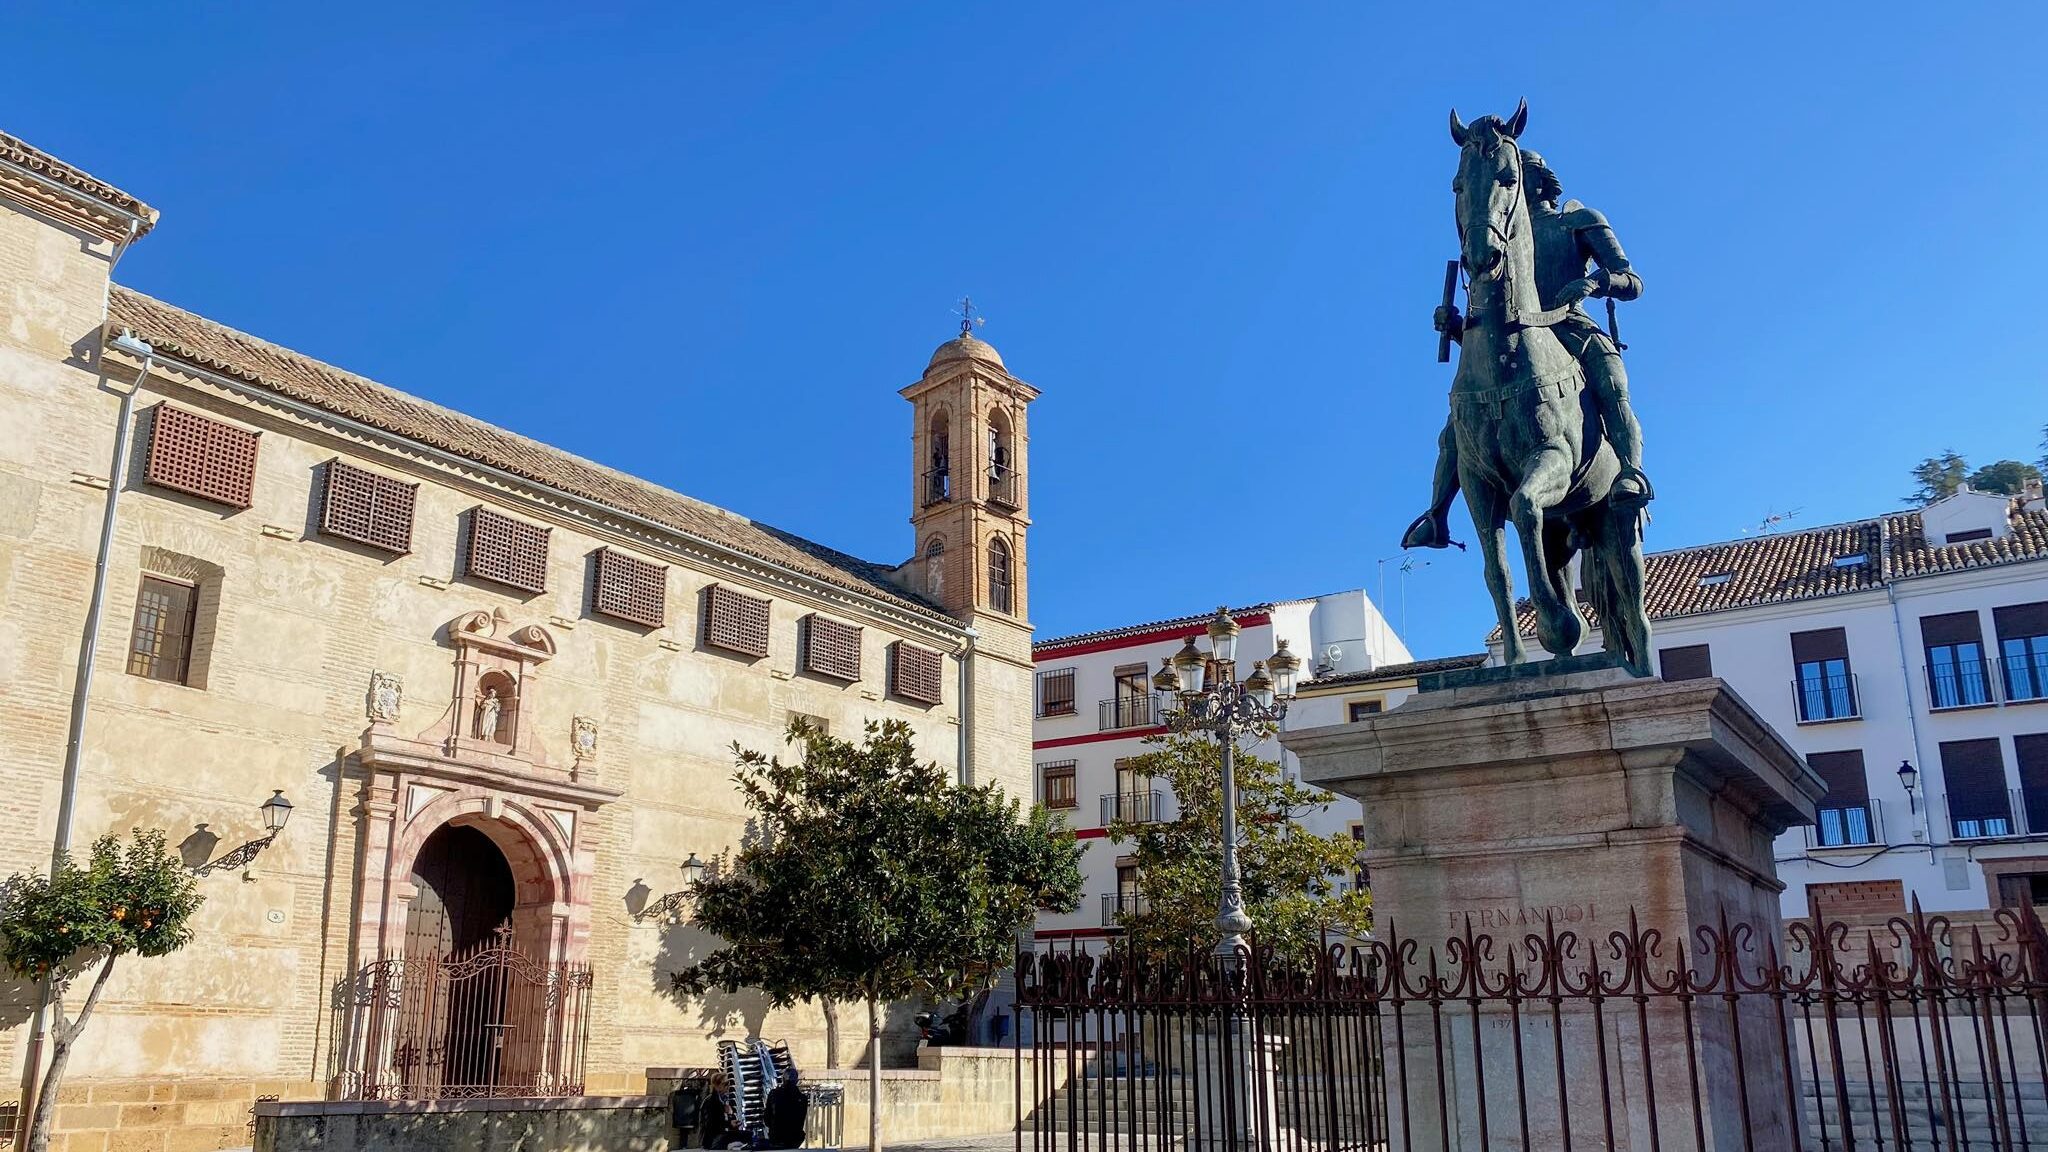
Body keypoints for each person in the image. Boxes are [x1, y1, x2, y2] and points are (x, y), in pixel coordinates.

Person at [1405, 148, 1651, 551]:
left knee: (1610, 380)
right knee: (1457, 422)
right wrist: (1456, 328)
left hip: (1569, 323)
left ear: (1537, 179)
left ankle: (1630, 472)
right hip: (1513, 339)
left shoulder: (1579, 221)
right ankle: (1437, 514)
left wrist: (1593, 284)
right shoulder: (1503, 235)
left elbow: (1631, 280)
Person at [698, 1071, 735, 1150]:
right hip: (713, 1140)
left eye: (729, 1083)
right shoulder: (711, 1101)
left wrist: (730, 1117)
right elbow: (711, 1124)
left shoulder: (723, 1100)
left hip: (720, 1138)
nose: (728, 1086)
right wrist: (729, 1123)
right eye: (725, 1084)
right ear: (717, 1086)